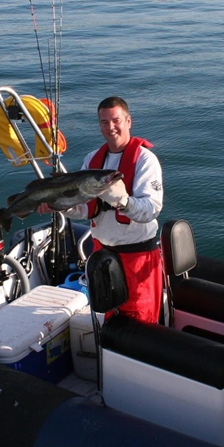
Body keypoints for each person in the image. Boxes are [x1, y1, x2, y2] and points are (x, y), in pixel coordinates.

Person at [62, 97, 165, 324]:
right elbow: (82, 210)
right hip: (102, 253)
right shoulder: (92, 159)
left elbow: (151, 210)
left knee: (140, 323)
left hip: (137, 257)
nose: (111, 127)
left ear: (128, 121)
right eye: (104, 122)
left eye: (116, 120)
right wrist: (62, 206)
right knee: (108, 317)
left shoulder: (146, 161)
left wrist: (124, 202)